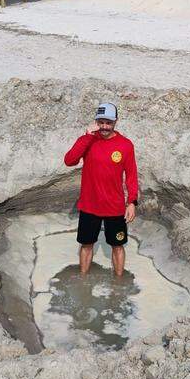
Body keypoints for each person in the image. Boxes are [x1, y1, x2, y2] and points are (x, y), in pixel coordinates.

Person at [63, 102, 139, 277]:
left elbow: (132, 176)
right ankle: (83, 282)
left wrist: (132, 202)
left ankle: (118, 285)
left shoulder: (126, 145)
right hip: (90, 206)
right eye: (101, 122)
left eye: (109, 123)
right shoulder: (88, 140)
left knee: (118, 246)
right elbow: (69, 160)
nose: (105, 127)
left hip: (115, 207)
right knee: (86, 244)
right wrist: (87, 137)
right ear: (96, 121)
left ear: (115, 122)